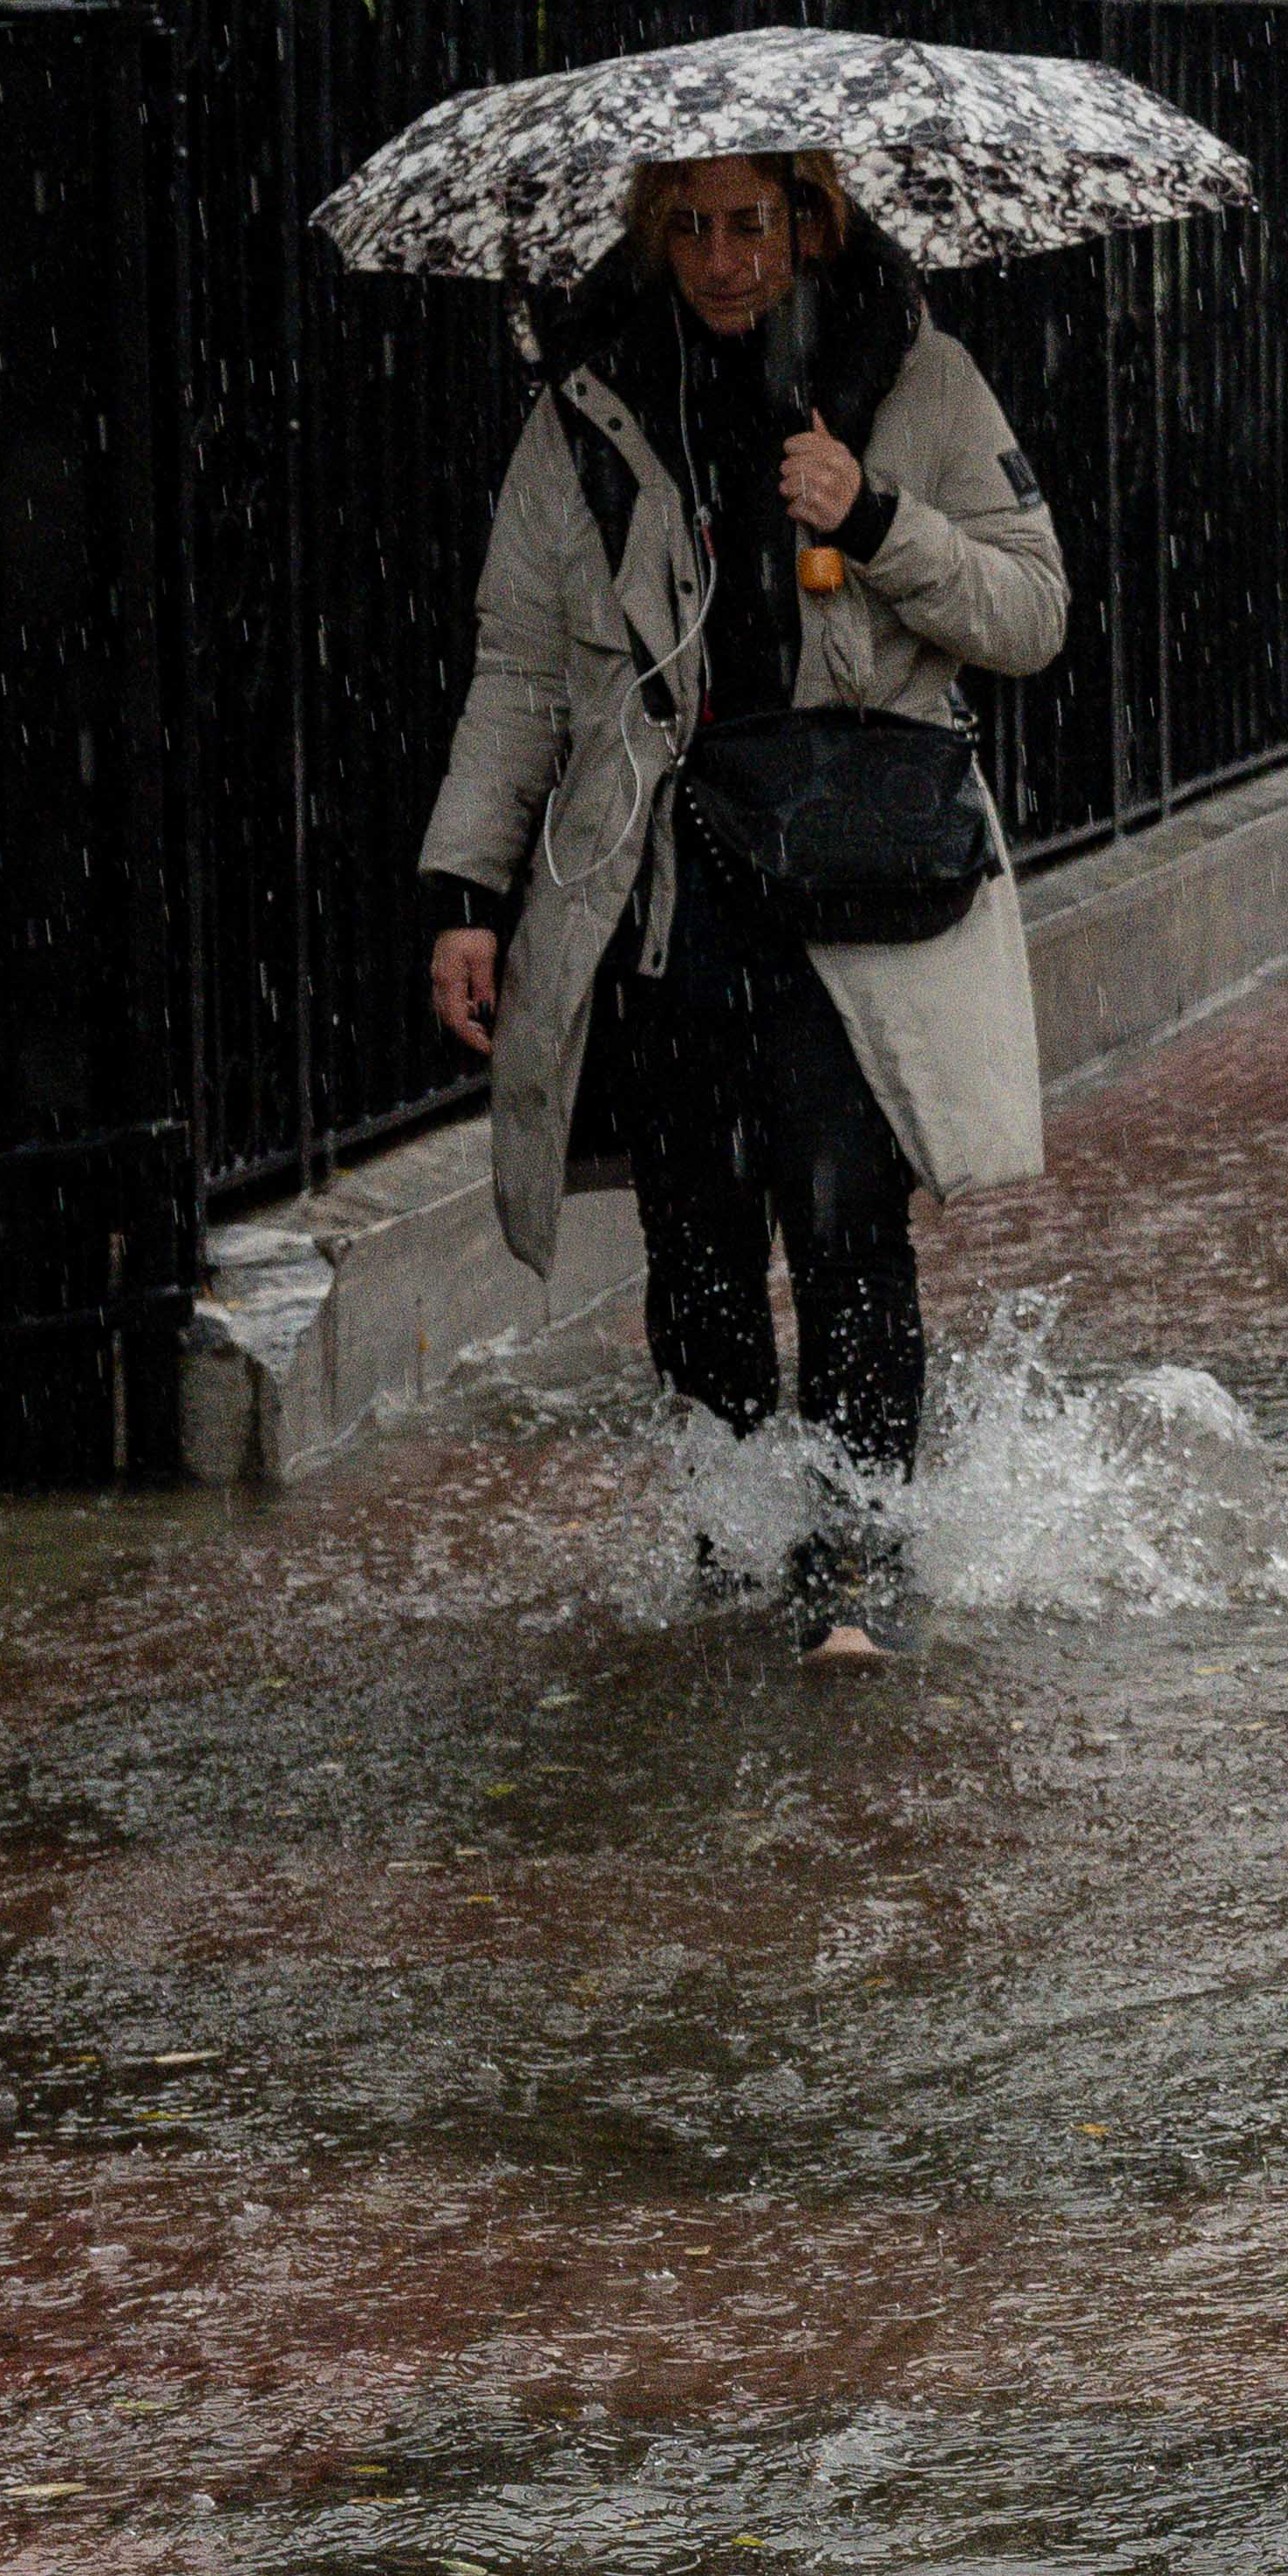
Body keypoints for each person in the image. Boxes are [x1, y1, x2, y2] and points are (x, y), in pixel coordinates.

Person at [416, 154, 1067, 1663]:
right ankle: (741, 1530)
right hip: (661, 887)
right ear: (655, 233)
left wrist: (878, 510)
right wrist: (467, 891)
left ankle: (855, 1559)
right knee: (695, 1247)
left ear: (810, 223)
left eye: (751, 225)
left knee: (847, 1220)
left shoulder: (918, 373)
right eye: (692, 228)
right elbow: (517, 669)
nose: (722, 261)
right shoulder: (586, 410)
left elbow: (1033, 614)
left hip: (854, 887)